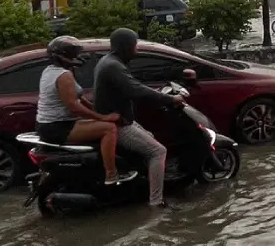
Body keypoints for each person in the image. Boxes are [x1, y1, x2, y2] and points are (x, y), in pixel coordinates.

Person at [93, 27, 206, 208]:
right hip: (119, 124)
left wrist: (158, 93)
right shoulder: (113, 66)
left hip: (121, 119)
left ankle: (144, 183)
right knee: (158, 152)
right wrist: (169, 99)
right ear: (125, 47)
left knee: (151, 138)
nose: (136, 50)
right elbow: (135, 89)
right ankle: (156, 201)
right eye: (134, 46)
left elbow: (133, 84)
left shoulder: (109, 62)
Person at [36, 36, 132, 186]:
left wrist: (98, 111)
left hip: (54, 124)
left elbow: (80, 98)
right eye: (73, 53)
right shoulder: (63, 76)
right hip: (57, 127)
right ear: (64, 55)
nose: (77, 56)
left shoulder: (53, 71)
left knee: (103, 124)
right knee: (109, 129)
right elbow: (74, 106)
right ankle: (111, 175)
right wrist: (102, 117)